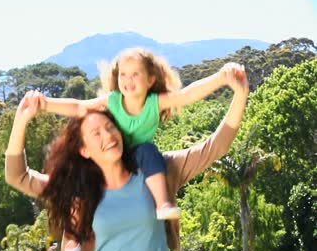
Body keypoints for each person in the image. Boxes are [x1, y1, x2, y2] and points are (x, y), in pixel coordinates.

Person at [5, 69, 249, 251]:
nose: (108, 136)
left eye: (110, 127)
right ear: (84, 150)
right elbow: (18, 176)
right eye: (96, 134)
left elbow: (216, 146)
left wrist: (240, 94)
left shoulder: (157, 171)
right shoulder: (76, 189)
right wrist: (22, 120)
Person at [39, 47, 243, 221]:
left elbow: (187, 95)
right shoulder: (113, 101)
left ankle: (162, 204)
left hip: (137, 159)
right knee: (82, 174)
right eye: (123, 74)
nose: (128, 80)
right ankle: (75, 230)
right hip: (111, 157)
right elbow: (78, 107)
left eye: (136, 74)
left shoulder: (154, 103)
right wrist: (45, 104)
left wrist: (220, 78)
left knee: (148, 150)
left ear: (150, 79)